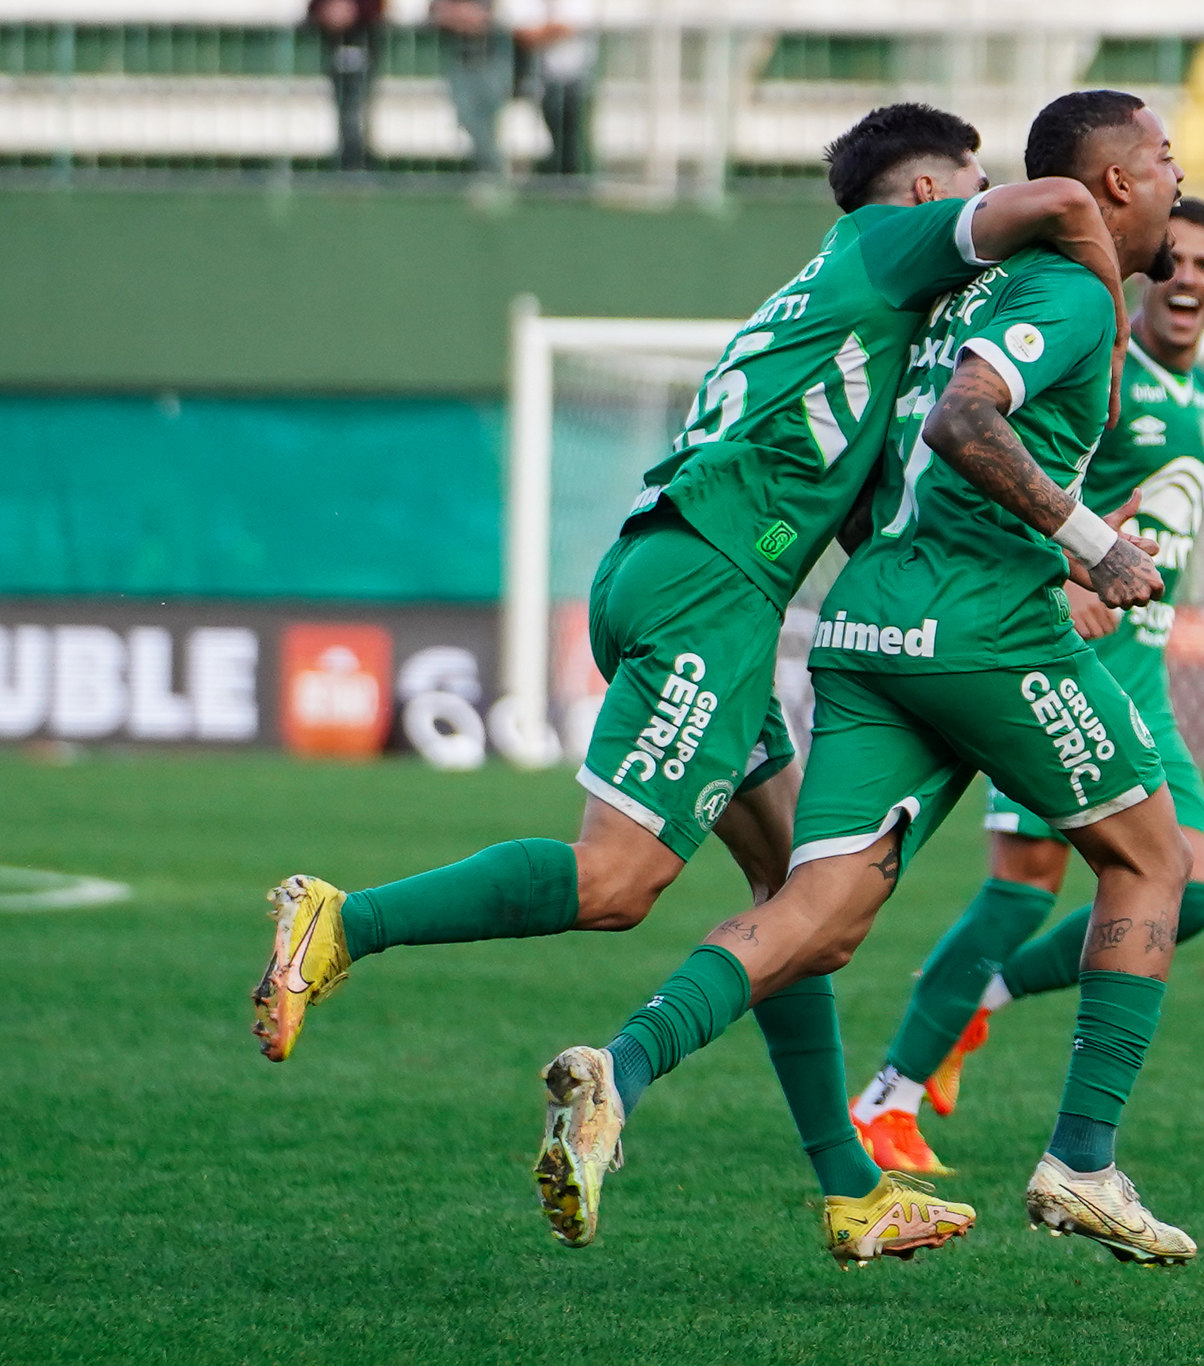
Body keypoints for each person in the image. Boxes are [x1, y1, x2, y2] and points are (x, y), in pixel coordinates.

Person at [249, 102, 1133, 1266]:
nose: (986, 210)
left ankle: (852, 1188)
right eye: (972, 187)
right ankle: (343, 920)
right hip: (712, 586)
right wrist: (1101, 306)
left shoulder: (840, 302)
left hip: (681, 569)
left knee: (786, 908)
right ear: (931, 199)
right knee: (617, 881)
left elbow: (877, 500)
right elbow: (1067, 202)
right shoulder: (889, 246)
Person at [538, 89, 1199, 1268]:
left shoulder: (940, 301)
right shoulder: (1059, 290)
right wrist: (1086, 541)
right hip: (982, 629)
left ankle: (615, 1072)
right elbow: (961, 421)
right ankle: (1083, 1160)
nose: (1176, 183)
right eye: (1161, 163)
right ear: (1106, 186)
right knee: (1155, 860)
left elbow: (888, 452)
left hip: (863, 632)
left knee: (818, 916)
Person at [849, 197, 1204, 1178]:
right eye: (1174, 258)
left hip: (1142, 677)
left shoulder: (1200, 392)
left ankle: (979, 1003)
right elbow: (1007, 471)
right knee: (1021, 887)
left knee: (1189, 896)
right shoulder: (1104, 372)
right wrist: (1062, 576)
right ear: (1149, 273)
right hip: (1059, 661)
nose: (1186, 277)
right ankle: (885, 1098)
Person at [507, 0, 595, 176]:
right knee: (558, 132)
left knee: (572, 134)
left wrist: (541, 33)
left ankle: (574, 178)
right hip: (546, 80)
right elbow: (523, 32)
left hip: (576, 78)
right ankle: (563, 177)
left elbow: (571, 25)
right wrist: (548, 32)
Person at [430, 0, 510, 174]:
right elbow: (436, 12)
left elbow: (491, 17)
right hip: (461, 60)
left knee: (489, 119)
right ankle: (493, 170)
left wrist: (467, 17)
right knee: (467, 117)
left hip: (493, 58)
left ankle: (494, 172)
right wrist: (459, 16)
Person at [306, 0, 383, 172]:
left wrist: (355, 11)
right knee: (344, 108)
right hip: (333, 43)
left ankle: (355, 164)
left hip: (364, 40)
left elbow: (377, 8)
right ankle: (348, 163)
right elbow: (312, 8)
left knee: (354, 110)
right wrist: (325, 12)